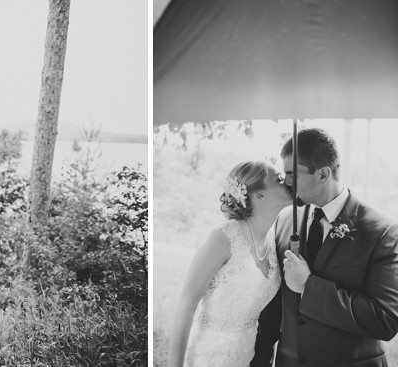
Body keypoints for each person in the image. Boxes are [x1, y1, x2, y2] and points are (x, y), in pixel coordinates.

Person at [252, 128, 398, 367]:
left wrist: (309, 287)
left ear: (322, 174)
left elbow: (385, 321)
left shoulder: (383, 232)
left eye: (292, 174)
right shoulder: (285, 220)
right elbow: (274, 301)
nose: (286, 181)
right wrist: (259, 359)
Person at [168, 160, 292, 366]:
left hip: (245, 357)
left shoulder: (272, 241)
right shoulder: (223, 238)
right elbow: (186, 306)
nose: (287, 182)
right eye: (279, 179)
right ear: (260, 195)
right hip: (206, 357)